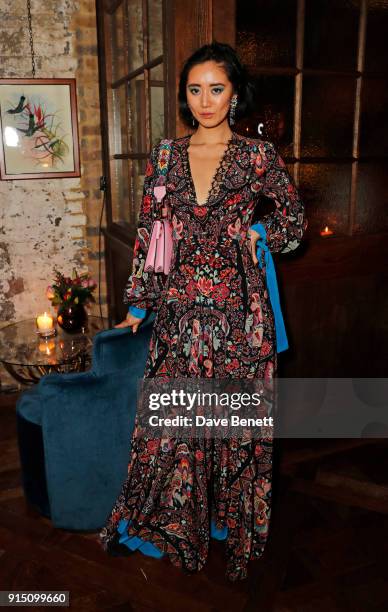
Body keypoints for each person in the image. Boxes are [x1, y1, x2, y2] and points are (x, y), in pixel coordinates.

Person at [99, 41, 307, 582]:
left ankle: (229, 523)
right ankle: (172, 522)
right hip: (180, 313)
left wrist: (261, 233)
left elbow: (294, 223)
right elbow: (151, 234)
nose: (206, 100)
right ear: (184, 96)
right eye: (195, 89)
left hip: (242, 312)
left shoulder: (258, 156)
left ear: (235, 93)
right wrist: (139, 305)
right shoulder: (165, 154)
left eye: (217, 89)